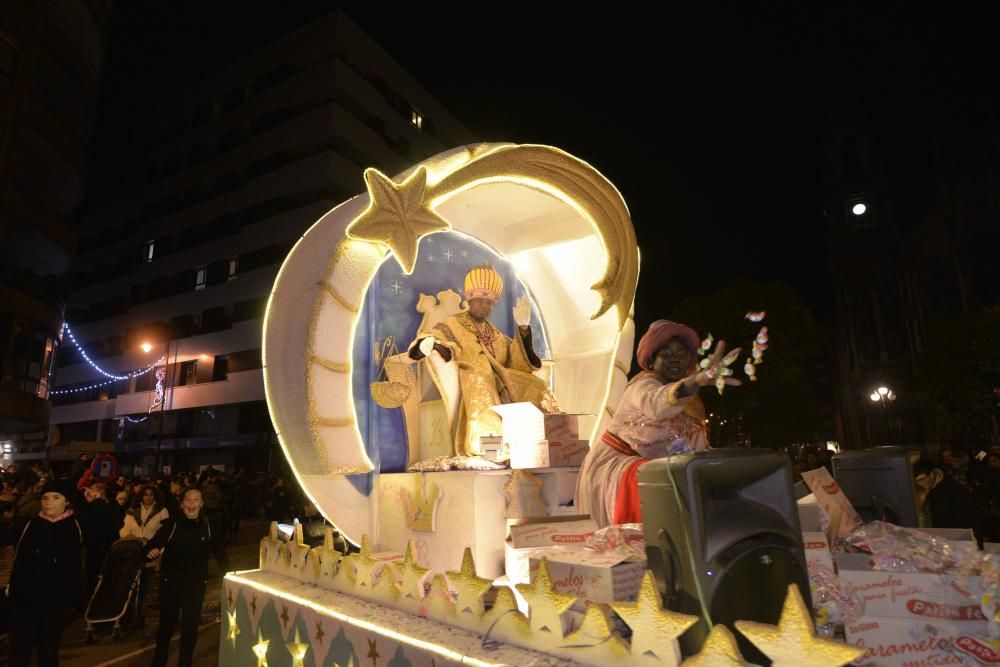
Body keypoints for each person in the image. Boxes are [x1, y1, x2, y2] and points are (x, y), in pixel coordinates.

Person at [575, 320, 741, 527]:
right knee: (660, 476)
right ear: (652, 360)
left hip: (659, 469)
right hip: (616, 469)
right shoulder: (643, 385)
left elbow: (693, 447)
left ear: (689, 361)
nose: (675, 358)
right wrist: (696, 381)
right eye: (666, 353)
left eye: (681, 354)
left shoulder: (691, 400)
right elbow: (658, 405)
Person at [408, 264, 558, 455]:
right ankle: (491, 450)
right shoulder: (453, 323)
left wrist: (523, 329)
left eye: (489, 303)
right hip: (474, 378)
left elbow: (514, 360)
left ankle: (543, 442)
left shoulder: (495, 333)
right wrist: (429, 342)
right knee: (482, 382)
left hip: (502, 379)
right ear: (470, 299)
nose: (485, 306)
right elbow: (436, 338)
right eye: (480, 301)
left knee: (536, 385)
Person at [145, 487, 229, 667]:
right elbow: (153, 544)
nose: (192, 503)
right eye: (188, 500)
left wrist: (229, 574)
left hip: (195, 584)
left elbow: (219, 552)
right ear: (182, 504)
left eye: (196, 500)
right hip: (170, 583)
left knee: (189, 627)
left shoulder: (209, 525)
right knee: (166, 626)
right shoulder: (171, 524)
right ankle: (158, 662)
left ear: (202, 504)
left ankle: (185, 663)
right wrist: (151, 551)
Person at [5, 479, 84, 667]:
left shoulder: (74, 527)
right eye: (45, 498)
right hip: (26, 600)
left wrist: (71, 596)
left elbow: (74, 566)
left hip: (55, 602)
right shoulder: (31, 525)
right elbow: (20, 561)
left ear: (66, 501)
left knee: (48, 650)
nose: (49, 502)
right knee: (20, 650)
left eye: (56, 497)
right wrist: (14, 589)